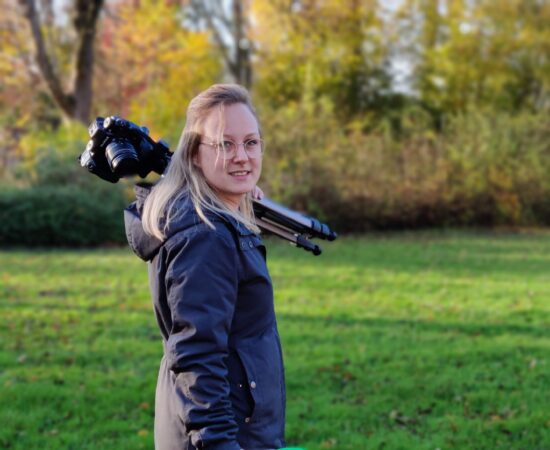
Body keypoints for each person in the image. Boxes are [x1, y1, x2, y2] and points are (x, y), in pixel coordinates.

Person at [124, 84, 286, 450]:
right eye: (224, 145)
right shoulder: (206, 236)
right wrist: (218, 443)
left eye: (251, 143)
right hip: (220, 435)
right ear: (195, 154)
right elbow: (197, 355)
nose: (242, 156)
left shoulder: (213, 217)